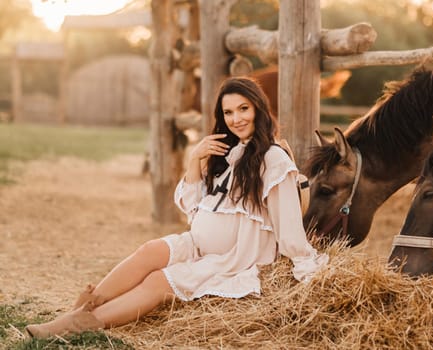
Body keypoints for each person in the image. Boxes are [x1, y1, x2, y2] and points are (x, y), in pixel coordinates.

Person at [25, 76, 328, 339]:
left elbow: (288, 224)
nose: (236, 119)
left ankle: (85, 323)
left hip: (235, 257)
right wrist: (194, 159)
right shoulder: (230, 152)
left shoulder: (274, 159)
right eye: (228, 112)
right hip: (197, 243)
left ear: (259, 108)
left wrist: (306, 265)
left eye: (243, 109)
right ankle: (82, 308)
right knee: (149, 251)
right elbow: (194, 209)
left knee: (157, 281)